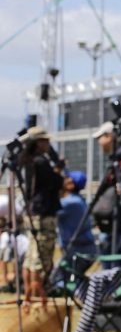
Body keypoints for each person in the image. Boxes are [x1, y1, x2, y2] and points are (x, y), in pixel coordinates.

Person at [19, 126, 64, 299]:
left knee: (31, 256)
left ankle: (28, 295)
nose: (48, 144)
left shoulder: (27, 161)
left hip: (32, 211)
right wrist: (58, 170)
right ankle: (38, 295)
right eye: (45, 141)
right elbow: (55, 182)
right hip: (43, 213)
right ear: (38, 143)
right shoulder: (41, 161)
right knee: (41, 257)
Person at [92, 120, 121, 268]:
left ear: (109, 136)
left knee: (115, 251)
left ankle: (113, 281)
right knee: (111, 249)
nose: (99, 142)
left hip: (119, 215)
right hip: (110, 217)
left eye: (101, 138)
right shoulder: (114, 158)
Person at [56, 170, 98, 274]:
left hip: (77, 250)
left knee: (60, 279)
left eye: (67, 179)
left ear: (72, 185)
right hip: (85, 248)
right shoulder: (79, 200)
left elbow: (50, 211)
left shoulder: (70, 203)